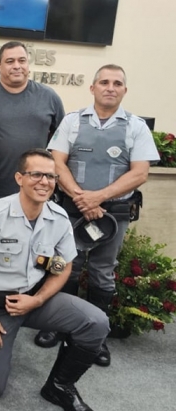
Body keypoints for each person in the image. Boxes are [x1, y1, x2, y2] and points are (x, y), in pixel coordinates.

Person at [0, 149, 109, 411]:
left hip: (36, 299)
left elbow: (64, 266)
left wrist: (38, 300)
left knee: (96, 322)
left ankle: (59, 387)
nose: (44, 182)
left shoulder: (59, 217)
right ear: (19, 178)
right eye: (36, 174)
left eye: (51, 176)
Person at [39, 64, 159, 365]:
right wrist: (82, 199)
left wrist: (98, 198)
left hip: (114, 214)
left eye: (117, 83)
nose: (110, 87)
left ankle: (95, 336)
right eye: (103, 82)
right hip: (72, 211)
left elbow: (140, 173)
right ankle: (57, 326)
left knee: (102, 272)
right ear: (92, 88)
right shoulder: (73, 122)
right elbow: (57, 162)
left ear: (124, 90)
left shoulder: (136, 126)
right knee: (66, 265)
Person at [0, 41, 65, 209]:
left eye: (22, 61)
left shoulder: (49, 97)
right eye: (10, 61)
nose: (17, 66)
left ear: (28, 63)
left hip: (36, 190)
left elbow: (61, 145)